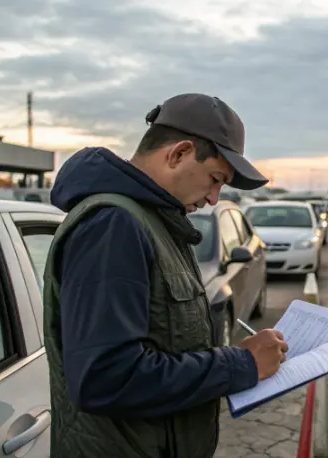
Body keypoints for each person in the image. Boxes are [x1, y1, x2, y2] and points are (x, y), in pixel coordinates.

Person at [42, 93, 289, 458]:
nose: (213, 198)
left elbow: (163, 346)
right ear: (178, 154)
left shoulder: (155, 223)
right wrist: (241, 364)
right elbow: (106, 379)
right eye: (214, 179)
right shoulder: (114, 225)